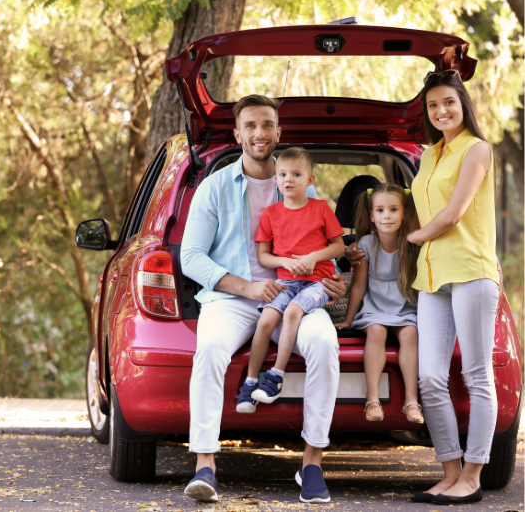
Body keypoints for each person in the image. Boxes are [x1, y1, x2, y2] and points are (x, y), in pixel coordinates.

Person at [180, 95, 347, 504]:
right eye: (251, 125)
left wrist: (335, 281)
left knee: (325, 345)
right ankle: (205, 465)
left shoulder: (297, 182)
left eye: (267, 125)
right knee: (211, 349)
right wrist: (245, 286)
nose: (260, 133)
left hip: (297, 296)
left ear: (278, 132)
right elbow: (190, 257)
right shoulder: (214, 187)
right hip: (233, 299)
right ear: (237, 134)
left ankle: (311, 463)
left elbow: (322, 244)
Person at [405, 70, 500, 506]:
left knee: (477, 374)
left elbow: (451, 215)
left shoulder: (477, 150)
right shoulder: (429, 156)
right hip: (431, 276)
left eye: (449, 103)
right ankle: (450, 473)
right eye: (433, 106)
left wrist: (409, 239)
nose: (441, 111)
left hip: (470, 272)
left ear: (463, 105)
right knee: (429, 378)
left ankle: (474, 474)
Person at [235, 147, 346, 411]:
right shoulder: (271, 214)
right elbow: (264, 256)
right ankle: (251, 383)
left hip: (317, 282)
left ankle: (275, 376)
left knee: (293, 311)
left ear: (310, 180)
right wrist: (284, 261)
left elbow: (339, 246)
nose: (289, 179)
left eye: (296, 174)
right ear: (275, 178)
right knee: (265, 321)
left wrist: (313, 257)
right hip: (286, 282)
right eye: (283, 174)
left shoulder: (320, 209)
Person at [335, 184, 423, 425]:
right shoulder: (365, 244)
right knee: (376, 331)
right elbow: (360, 286)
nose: (387, 215)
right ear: (372, 216)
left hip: (403, 307)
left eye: (394, 209)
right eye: (381, 210)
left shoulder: (411, 244)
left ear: (404, 213)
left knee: (410, 334)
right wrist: (348, 319)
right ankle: (372, 399)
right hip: (374, 308)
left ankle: (412, 401)